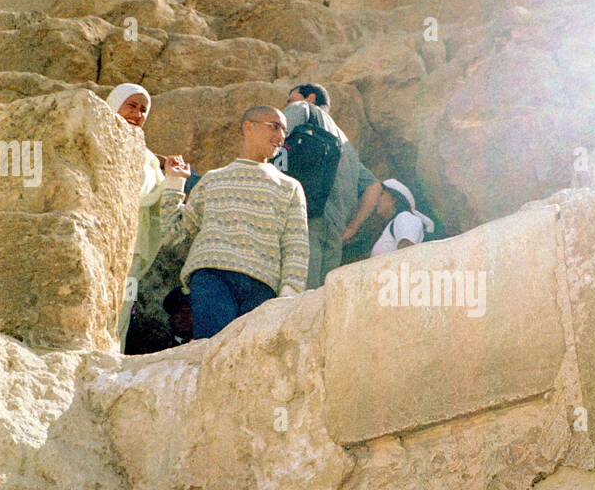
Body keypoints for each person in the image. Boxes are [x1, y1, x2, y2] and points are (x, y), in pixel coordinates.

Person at [159, 105, 309, 339]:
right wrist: (174, 183)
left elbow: (296, 245)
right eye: (275, 126)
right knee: (213, 354)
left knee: (249, 363)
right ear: (248, 127)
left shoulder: (290, 187)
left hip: (263, 287)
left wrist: (288, 295)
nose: (281, 136)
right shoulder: (212, 180)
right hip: (212, 279)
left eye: (284, 131)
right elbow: (173, 234)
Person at [272, 83, 382, 288]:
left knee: (299, 294)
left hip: (305, 218)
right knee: (321, 299)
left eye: (290, 99)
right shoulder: (345, 143)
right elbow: (374, 186)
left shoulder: (301, 109)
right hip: (335, 230)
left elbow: (276, 141)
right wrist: (352, 226)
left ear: (310, 98)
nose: (287, 104)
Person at [105, 82, 187, 351]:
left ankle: (110, 355)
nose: (137, 114)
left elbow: (149, 197)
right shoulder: (101, 140)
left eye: (143, 109)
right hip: (104, 238)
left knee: (123, 304)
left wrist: (173, 179)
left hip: (133, 246)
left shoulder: (146, 157)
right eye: (131, 105)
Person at [370, 179, 435, 255]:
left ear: (394, 198)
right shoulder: (394, 224)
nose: (376, 199)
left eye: (381, 194)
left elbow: (406, 253)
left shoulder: (404, 217)